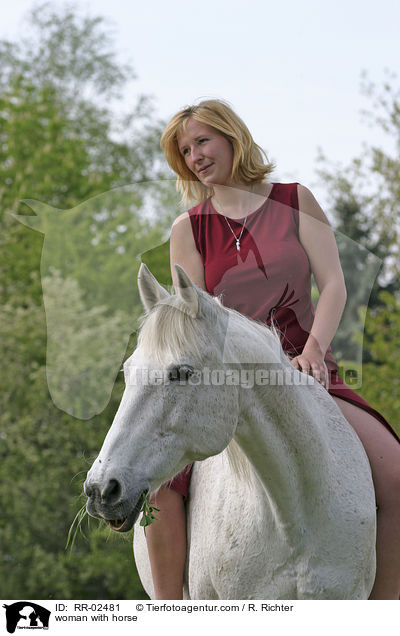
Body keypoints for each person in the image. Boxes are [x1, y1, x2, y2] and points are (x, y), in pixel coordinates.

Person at [144, 99, 400, 600]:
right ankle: (170, 614)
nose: (195, 156)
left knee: (395, 474)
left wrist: (312, 350)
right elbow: (196, 323)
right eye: (185, 150)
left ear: (231, 137)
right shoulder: (187, 230)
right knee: (157, 487)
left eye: (202, 142)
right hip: (225, 380)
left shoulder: (294, 199)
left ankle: (386, 612)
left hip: (309, 367)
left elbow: (334, 285)